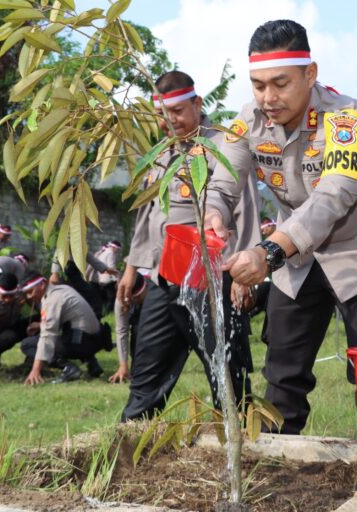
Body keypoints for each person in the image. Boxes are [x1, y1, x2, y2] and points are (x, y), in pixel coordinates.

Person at [204, 20, 357, 434]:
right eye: (258, 85)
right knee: (282, 370)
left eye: (280, 83)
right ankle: (279, 461)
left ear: (309, 74)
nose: (268, 97)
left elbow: (333, 197)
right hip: (296, 259)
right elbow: (223, 184)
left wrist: (270, 252)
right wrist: (213, 216)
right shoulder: (247, 123)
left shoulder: (348, 118)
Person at [116, 70, 260, 421]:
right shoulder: (162, 153)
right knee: (148, 361)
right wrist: (132, 269)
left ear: (197, 103)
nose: (171, 122)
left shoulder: (222, 144)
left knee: (226, 371)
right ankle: (133, 434)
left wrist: (244, 274)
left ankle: (239, 436)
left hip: (211, 279)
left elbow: (245, 207)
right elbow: (149, 214)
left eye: (178, 111)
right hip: (164, 279)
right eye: (164, 117)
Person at [19, 272, 112, 385]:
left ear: (42, 284)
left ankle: (68, 369)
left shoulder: (52, 300)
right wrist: (40, 325)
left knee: (27, 344)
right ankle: (92, 364)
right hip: (96, 340)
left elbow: (47, 336)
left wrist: (35, 370)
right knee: (70, 328)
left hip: (82, 343)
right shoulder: (63, 289)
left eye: (30, 292)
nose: (29, 297)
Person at [50, 252, 119, 320]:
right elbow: (59, 250)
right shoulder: (69, 241)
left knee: (92, 298)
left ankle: (94, 323)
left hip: (74, 272)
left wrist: (105, 268)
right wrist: (55, 272)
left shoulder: (81, 244)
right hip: (66, 272)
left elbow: (88, 256)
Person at [109, 272, 148, 384]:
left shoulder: (154, 290)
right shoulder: (121, 298)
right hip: (135, 315)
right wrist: (123, 365)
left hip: (152, 306)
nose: (133, 301)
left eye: (137, 297)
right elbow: (122, 331)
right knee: (136, 330)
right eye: (130, 299)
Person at [86, 241, 121, 314]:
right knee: (112, 299)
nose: (118, 251)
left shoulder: (102, 252)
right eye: (118, 249)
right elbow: (111, 267)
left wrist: (86, 276)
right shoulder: (111, 253)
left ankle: (103, 313)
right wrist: (118, 278)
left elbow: (90, 267)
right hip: (107, 280)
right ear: (114, 247)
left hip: (98, 280)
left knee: (101, 300)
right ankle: (107, 313)